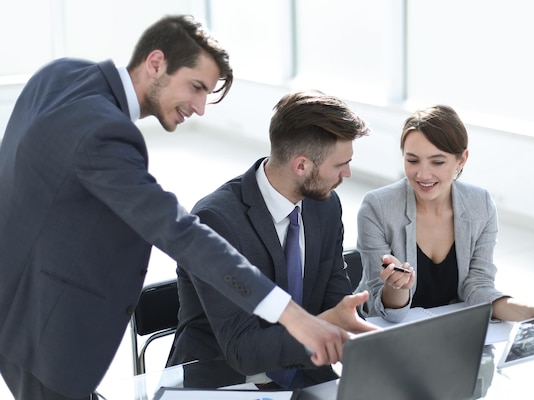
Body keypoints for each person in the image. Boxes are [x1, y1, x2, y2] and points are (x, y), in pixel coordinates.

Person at [0, 15, 353, 400]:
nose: (200, 107)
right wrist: (292, 316)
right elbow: (179, 232)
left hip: (17, 307)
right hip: (46, 336)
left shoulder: (60, 74)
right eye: (196, 87)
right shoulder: (106, 134)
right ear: (156, 63)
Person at [166, 90, 377, 390]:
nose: (348, 173)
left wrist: (349, 321)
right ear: (301, 166)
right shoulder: (216, 220)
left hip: (306, 373)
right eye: (340, 164)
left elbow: (335, 300)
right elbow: (242, 349)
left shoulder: (325, 206)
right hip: (225, 380)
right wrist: (321, 327)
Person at [355, 104, 534, 323]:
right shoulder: (377, 207)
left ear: (461, 160)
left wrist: (525, 310)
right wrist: (397, 287)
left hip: (450, 327)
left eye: (437, 162)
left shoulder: (480, 204)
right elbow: (385, 309)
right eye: (412, 160)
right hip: (384, 327)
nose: (423, 174)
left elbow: (478, 286)